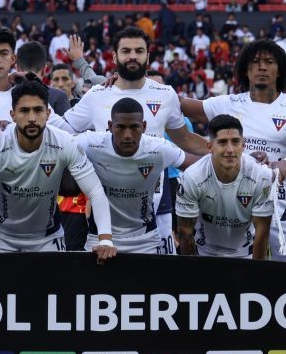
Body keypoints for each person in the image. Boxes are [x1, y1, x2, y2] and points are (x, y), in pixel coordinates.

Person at [64, 26, 211, 255]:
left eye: (139, 51)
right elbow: (64, 131)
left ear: (148, 57)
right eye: (126, 51)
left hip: (157, 204)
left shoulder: (165, 94)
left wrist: (226, 153)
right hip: (106, 207)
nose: (132, 56)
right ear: (114, 56)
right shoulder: (96, 95)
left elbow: (186, 140)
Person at [180, 40, 286, 263]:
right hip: (234, 205)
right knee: (239, 280)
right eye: (255, 62)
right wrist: (125, 82)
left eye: (269, 62)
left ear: (280, 69)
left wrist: (285, 164)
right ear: (246, 69)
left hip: (283, 200)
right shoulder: (226, 104)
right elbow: (174, 102)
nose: (261, 67)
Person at [0, 80, 115, 259]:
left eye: (38, 110)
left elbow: (95, 191)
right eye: (24, 111)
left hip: (47, 239)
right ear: (12, 115)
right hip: (0, 240)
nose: (32, 118)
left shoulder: (64, 142)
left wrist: (105, 240)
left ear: (48, 113)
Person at [76, 98, 198, 253]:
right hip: (100, 238)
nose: (127, 135)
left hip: (145, 240)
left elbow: (198, 166)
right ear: (110, 126)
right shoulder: (90, 144)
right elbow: (59, 148)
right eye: (120, 127)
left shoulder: (158, 148)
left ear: (144, 126)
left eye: (134, 127)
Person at [174, 114, 275, 259]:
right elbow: (185, 231)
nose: (230, 149)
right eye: (222, 142)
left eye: (235, 142)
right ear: (210, 147)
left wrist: (256, 276)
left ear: (243, 145)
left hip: (247, 254)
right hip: (204, 254)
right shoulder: (192, 176)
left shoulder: (261, 175)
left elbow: (262, 232)